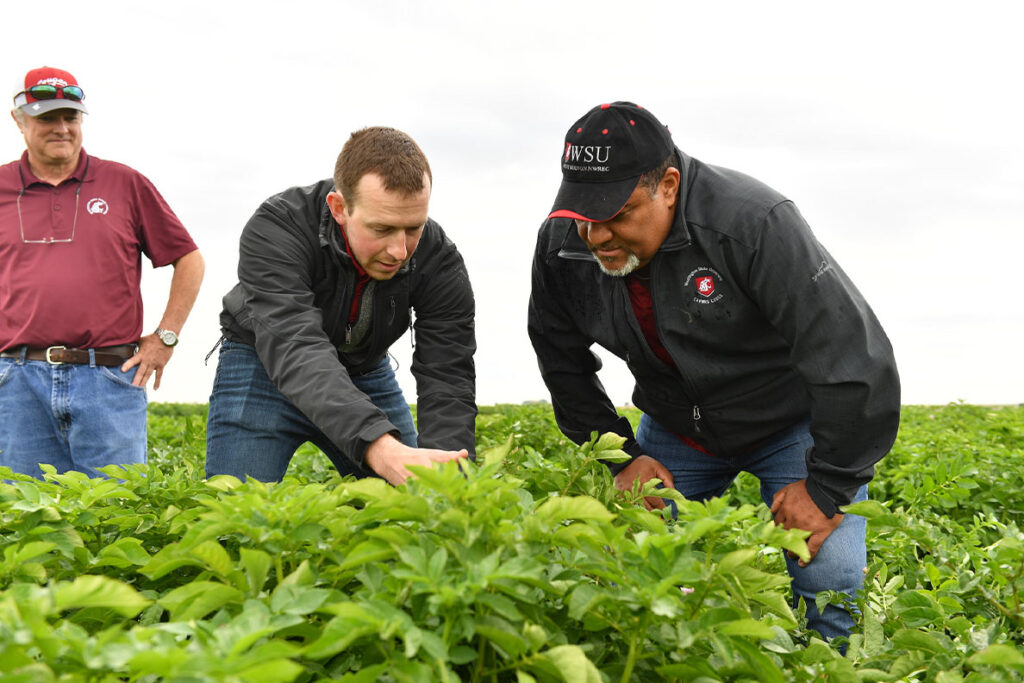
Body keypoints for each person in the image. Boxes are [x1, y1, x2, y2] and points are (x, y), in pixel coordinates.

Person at [528, 101, 900, 641]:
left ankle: (830, 665)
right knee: (633, 568)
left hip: (788, 424)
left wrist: (825, 489)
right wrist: (621, 456)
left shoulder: (752, 223)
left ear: (669, 186)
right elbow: (558, 357)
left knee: (829, 580)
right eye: (585, 216)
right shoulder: (562, 245)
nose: (598, 237)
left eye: (619, 214)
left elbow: (852, 357)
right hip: (678, 427)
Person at [205, 126, 476, 485]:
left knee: (421, 503)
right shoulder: (277, 228)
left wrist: (448, 472)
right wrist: (381, 449)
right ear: (339, 208)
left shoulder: (437, 257)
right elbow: (295, 346)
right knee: (236, 515)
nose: (400, 250)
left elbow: (448, 371)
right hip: (263, 366)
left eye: (413, 228)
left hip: (366, 371)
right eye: (382, 229)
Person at [0, 66, 205, 479]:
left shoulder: (124, 184)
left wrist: (165, 338)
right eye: (47, 118)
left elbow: (189, 259)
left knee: (118, 513)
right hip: (17, 383)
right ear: (20, 120)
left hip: (108, 379)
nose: (61, 128)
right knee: (23, 518)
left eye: (70, 117)